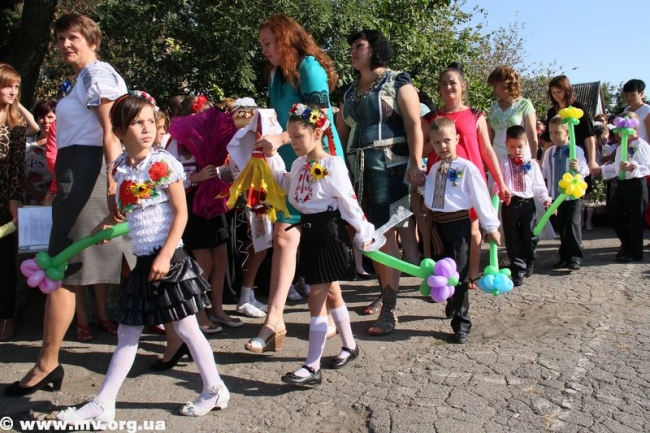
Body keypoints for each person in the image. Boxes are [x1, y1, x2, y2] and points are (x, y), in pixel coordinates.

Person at [55, 94, 229, 425]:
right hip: (144, 261)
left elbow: (180, 213)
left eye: (151, 121)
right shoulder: (120, 169)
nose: (148, 129)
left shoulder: (163, 164)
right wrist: (106, 224)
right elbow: (127, 212)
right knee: (128, 332)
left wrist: (166, 255)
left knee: (187, 327)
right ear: (120, 131)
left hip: (170, 260)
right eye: (138, 123)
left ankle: (214, 389)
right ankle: (104, 403)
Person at [4, 13, 133, 396]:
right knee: (66, 265)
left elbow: (111, 131)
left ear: (93, 41)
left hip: (90, 173)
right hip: (76, 174)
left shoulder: (97, 74)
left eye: (72, 37)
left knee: (60, 264)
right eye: (60, 38)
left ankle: (47, 363)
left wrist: (113, 181)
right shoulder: (84, 79)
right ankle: (49, 362)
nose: (64, 44)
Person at [246, 14, 344, 352]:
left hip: (319, 168)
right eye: (262, 45)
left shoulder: (309, 68)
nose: (264, 50)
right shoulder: (277, 73)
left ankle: (329, 315)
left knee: (315, 241)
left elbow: (319, 119)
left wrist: (281, 138)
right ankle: (275, 319)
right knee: (285, 237)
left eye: (268, 43)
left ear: (285, 40)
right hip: (291, 166)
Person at [265, 104, 373, 385]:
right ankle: (350, 346)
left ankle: (312, 366)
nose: (293, 142)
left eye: (298, 136)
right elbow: (286, 185)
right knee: (333, 293)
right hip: (309, 232)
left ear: (317, 133)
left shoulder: (332, 165)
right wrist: (271, 157)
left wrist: (363, 231)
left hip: (329, 234)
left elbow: (349, 200)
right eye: (290, 136)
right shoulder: (299, 164)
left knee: (316, 297)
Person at [336, 29, 424, 336]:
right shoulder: (349, 92)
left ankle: (390, 307)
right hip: (356, 170)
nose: (353, 51)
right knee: (367, 235)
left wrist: (416, 162)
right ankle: (385, 290)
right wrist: (338, 171)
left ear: (374, 49)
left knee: (385, 234)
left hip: (389, 165)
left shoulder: (398, 81)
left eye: (359, 46)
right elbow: (342, 134)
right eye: (351, 46)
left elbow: (414, 124)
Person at [420, 63, 509, 290]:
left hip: (470, 178)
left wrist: (500, 181)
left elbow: (487, 149)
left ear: (463, 85)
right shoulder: (431, 117)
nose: (448, 87)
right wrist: (435, 144)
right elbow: (422, 150)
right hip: (441, 181)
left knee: (473, 228)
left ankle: (472, 273)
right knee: (441, 231)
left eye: (452, 83)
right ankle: (444, 276)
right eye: (443, 84)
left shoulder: (476, 115)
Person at [420, 117, 500, 344]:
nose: (442, 146)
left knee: (459, 274)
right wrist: (420, 184)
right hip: (437, 225)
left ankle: (461, 323)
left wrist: (491, 226)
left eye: (446, 140)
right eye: (436, 142)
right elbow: (430, 194)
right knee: (440, 270)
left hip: (458, 225)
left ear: (456, 139)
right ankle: (451, 303)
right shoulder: (434, 167)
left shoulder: (467, 168)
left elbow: (481, 197)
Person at [0, 63, 38, 341]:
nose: (13, 91)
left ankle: (5, 318)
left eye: (16, 87)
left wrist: (14, 200)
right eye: (7, 86)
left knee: (4, 262)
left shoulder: (15, 126)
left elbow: (16, 168)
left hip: (2, 201)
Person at [495, 126, 551, 286]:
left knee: (530, 234)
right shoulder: (503, 163)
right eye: (512, 147)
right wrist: (500, 192)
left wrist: (545, 200)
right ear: (506, 145)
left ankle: (529, 260)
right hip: (510, 204)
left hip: (528, 203)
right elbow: (498, 183)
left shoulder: (532, 164)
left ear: (525, 144)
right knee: (512, 237)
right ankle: (517, 270)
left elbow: (538, 185)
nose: (516, 150)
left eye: (519, 146)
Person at [541, 116, 589, 271]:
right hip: (556, 195)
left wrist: (578, 168)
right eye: (551, 132)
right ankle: (564, 256)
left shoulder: (576, 150)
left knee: (572, 224)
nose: (553, 136)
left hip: (573, 194)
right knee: (561, 226)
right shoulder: (549, 152)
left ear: (567, 132)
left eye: (557, 132)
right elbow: (544, 172)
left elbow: (585, 170)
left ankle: (575, 257)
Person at [601, 111, 650, 262]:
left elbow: (647, 166)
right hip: (623, 183)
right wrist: (601, 170)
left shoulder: (641, 145)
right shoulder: (621, 146)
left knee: (635, 219)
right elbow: (616, 167)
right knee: (614, 213)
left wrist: (633, 167)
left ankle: (635, 253)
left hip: (637, 183)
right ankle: (627, 244)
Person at [540, 75, 598, 176]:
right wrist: (542, 161)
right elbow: (548, 140)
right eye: (553, 92)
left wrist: (592, 160)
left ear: (567, 91)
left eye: (559, 92)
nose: (556, 95)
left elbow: (589, 135)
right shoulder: (552, 111)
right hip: (557, 155)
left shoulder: (578, 108)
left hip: (578, 153)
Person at [487, 66, 538, 161]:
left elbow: (531, 134)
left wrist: (534, 159)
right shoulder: (493, 107)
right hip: (497, 156)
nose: (494, 90)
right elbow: (490, 134)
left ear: (506, 84)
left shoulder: (525, 105)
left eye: (496, 86)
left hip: (519, 156)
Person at [24, 99, 56, 205]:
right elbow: (18, 173)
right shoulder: (27, 143)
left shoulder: (64, 145)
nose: (46, 121)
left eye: (50, 117)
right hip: (27, 201)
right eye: (41, 117)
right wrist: (37, 195)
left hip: (54, 201)